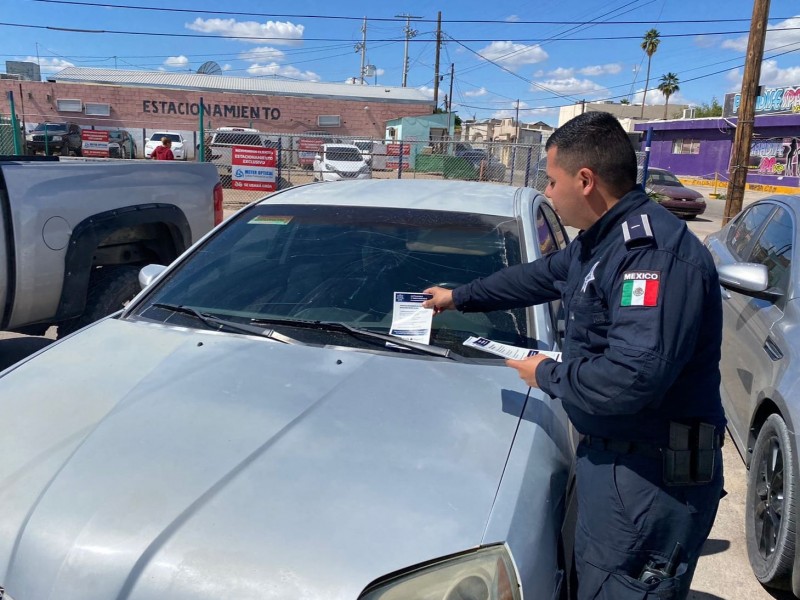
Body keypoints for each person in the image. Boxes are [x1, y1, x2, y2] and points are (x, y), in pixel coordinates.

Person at [423, 111, 725, 600]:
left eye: (552, 179)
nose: (548, 191)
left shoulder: (650, 257)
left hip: (648, 478)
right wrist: (458, 297)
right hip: (616, 464)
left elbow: (630, 378)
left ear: (585, 181)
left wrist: (546, 373)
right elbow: (537, 277)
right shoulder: (602, 241)